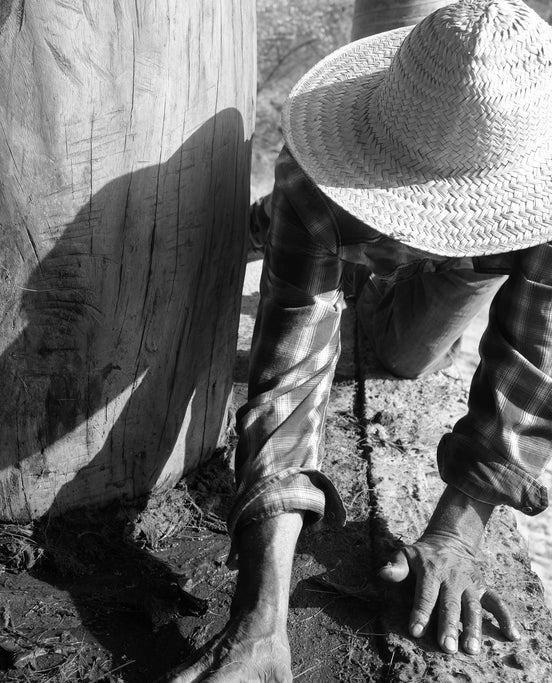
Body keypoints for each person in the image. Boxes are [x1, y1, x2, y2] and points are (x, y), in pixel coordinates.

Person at [169, 0, 552, 680]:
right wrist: (260, 616)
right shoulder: (318, 183)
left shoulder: (540, 195)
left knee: (401, 358)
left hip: (482, 254)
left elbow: (532, 366)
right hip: (337, 220)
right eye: (412, 216)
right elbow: (290, 386)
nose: (428, 230)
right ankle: (262, 232)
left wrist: (455, 531)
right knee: (284, 243)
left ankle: (330, 263)